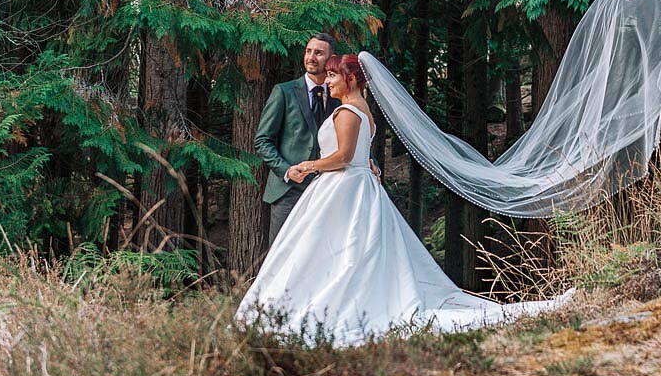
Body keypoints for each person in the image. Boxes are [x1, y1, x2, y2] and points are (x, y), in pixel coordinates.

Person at [236, 54, 570, 345]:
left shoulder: (347, 112)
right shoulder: (360, 110)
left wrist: (307, 166)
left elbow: (342, 156)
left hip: (342, 188)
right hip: (352, 186)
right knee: (338, 249)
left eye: (334, 74)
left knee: (336, 250)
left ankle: (328, 306)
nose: (328, 80)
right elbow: (357, 155)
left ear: (350, 78)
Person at [254, 33, 341, 245]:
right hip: (288, 191)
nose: (311, 57)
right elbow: (262, 140)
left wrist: (370, 161)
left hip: (326, 190)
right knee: (281, 254)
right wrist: (286, 170)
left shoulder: (339, 96)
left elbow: (351, 138)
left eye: (319, 53)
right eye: (308, 51)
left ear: (330, 58)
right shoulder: (284, 92)